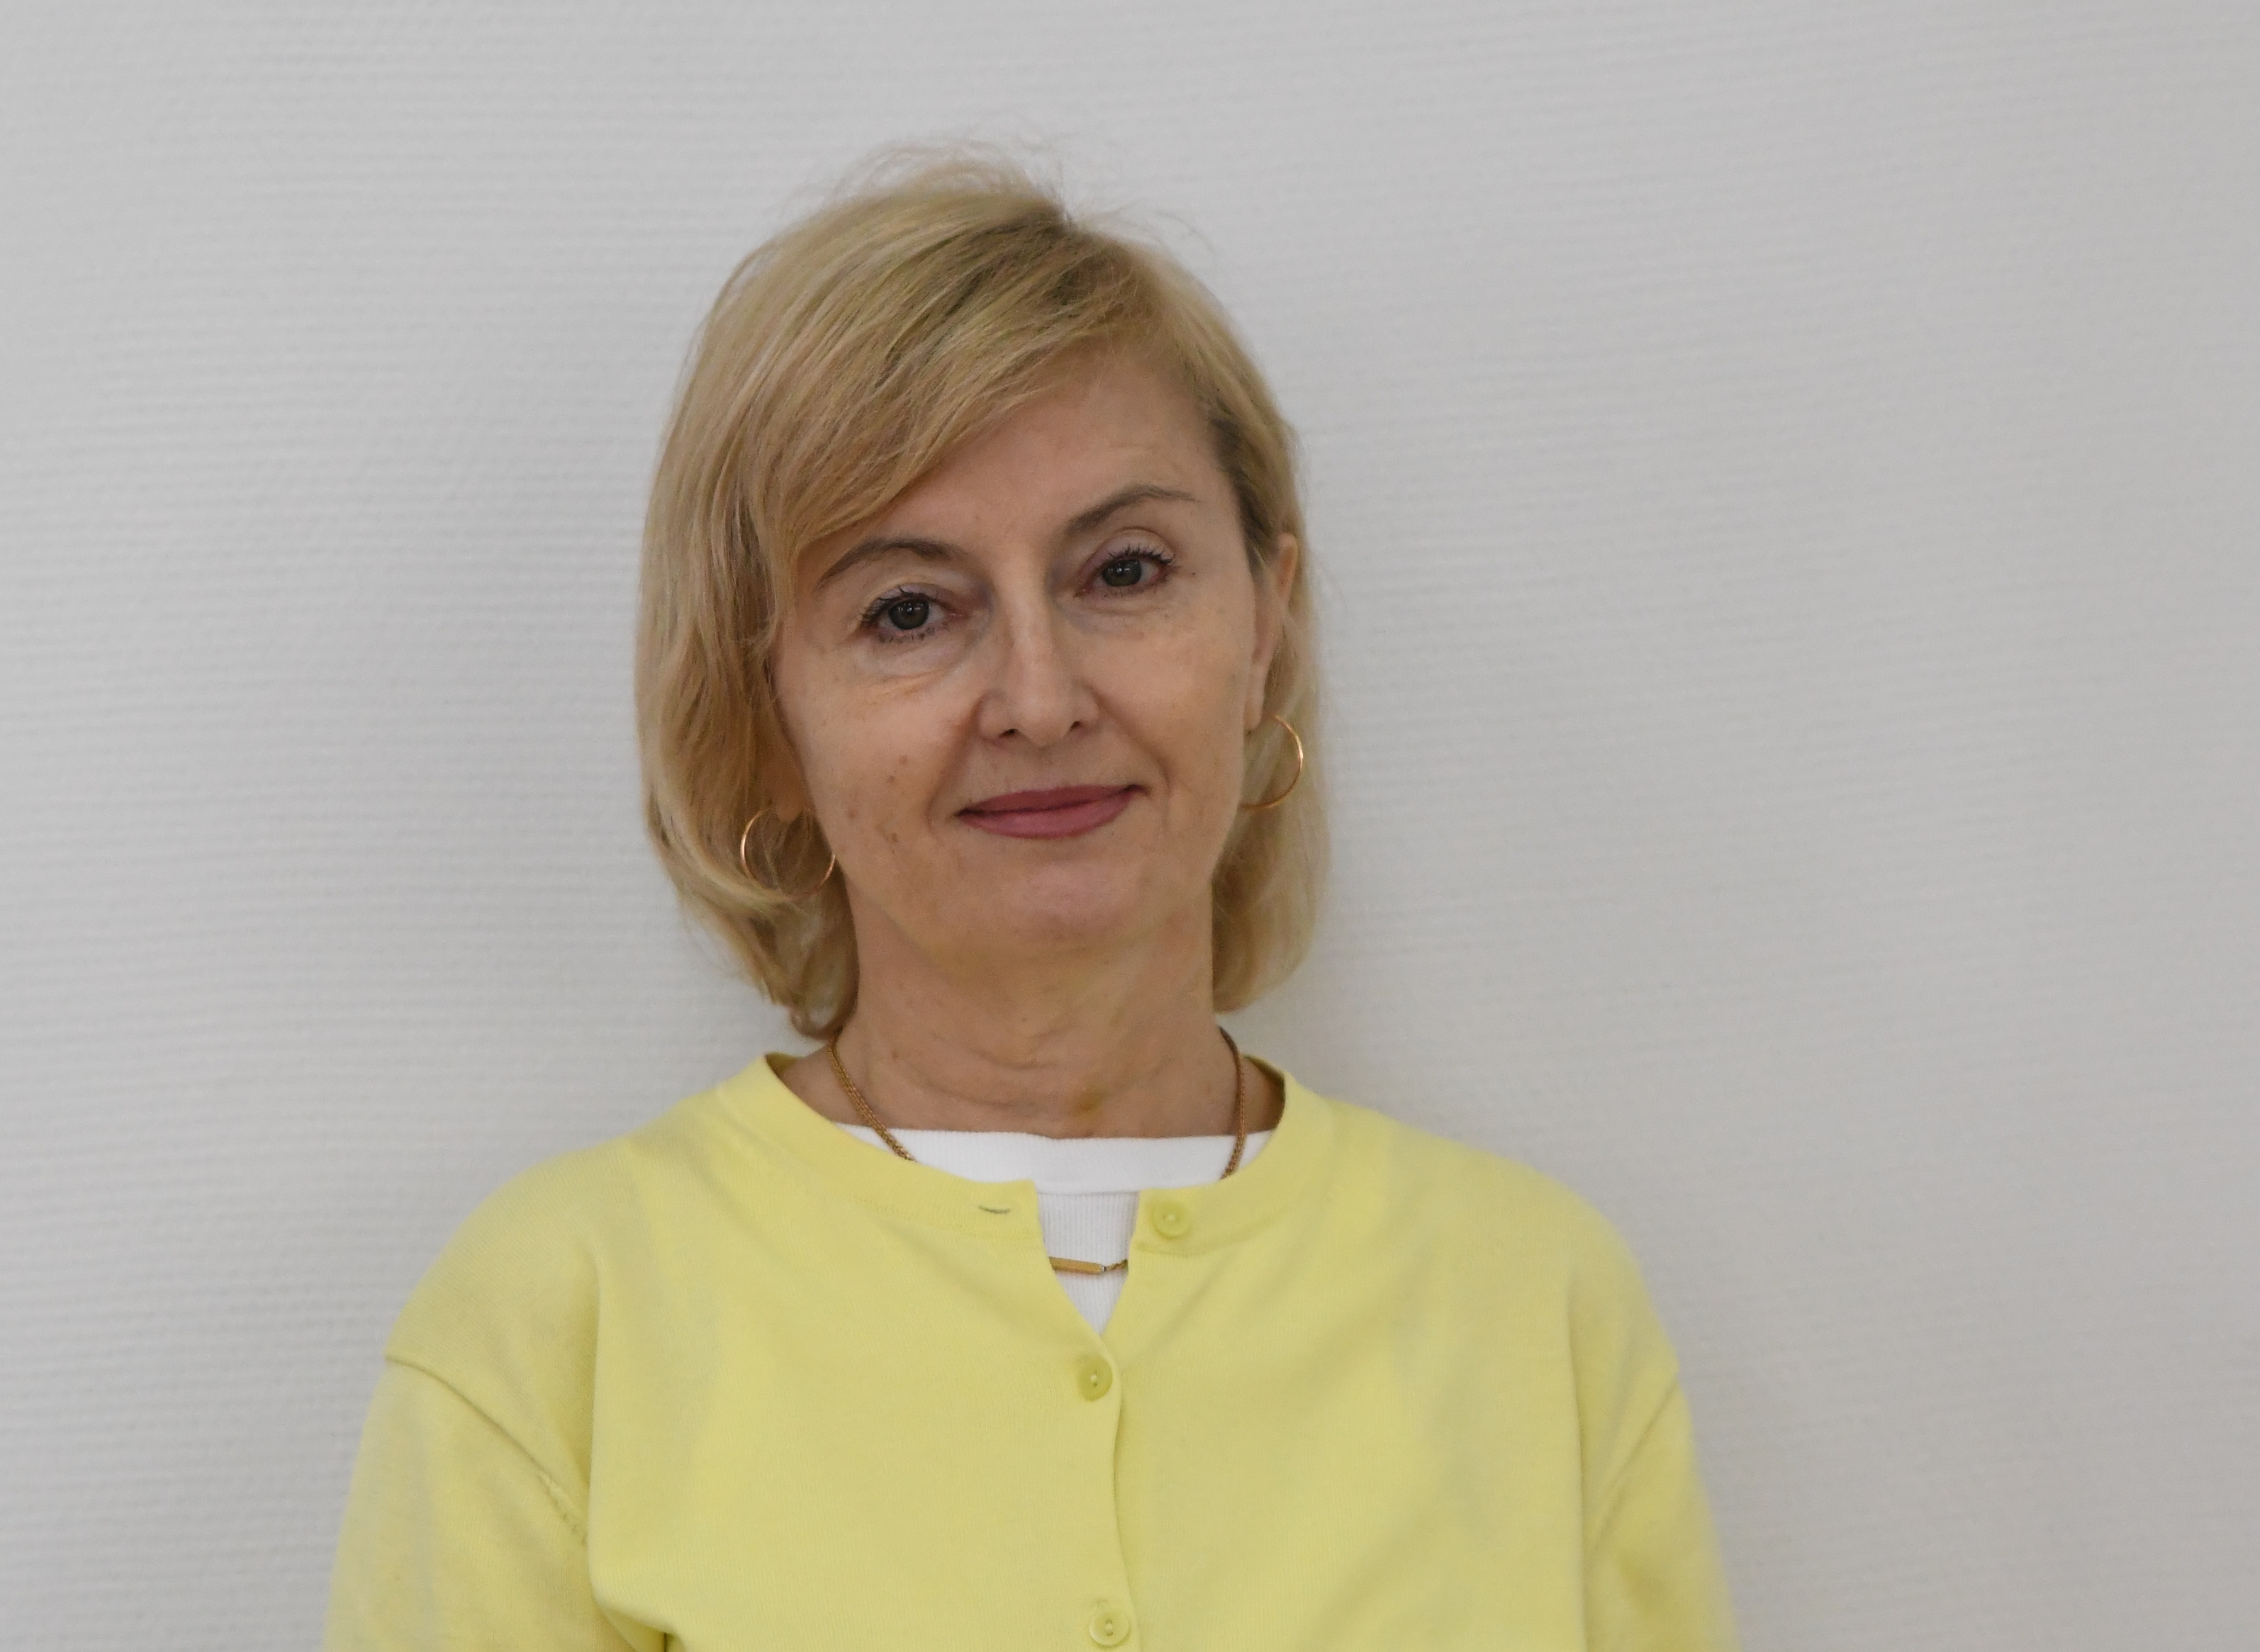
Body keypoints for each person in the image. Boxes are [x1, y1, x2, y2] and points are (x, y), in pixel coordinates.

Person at [321, 151, 1739, 1650]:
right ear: (758, 713)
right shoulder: (559, 1326)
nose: (1040, 697)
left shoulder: (1538, 1308)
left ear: (1265, 624)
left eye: (1122, 571)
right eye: (907, 609)